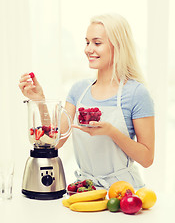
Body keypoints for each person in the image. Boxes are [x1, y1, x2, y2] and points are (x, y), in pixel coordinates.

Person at [19, 14, 155, 190]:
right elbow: (56, 140)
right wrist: (40, 101)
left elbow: (147, 159)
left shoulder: (137, 93)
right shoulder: (79, 90)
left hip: (125, 192)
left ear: (118, 46)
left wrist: (111, 132)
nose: (88, 49)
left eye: (97, 43)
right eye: (87, 42)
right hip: (87, 189)